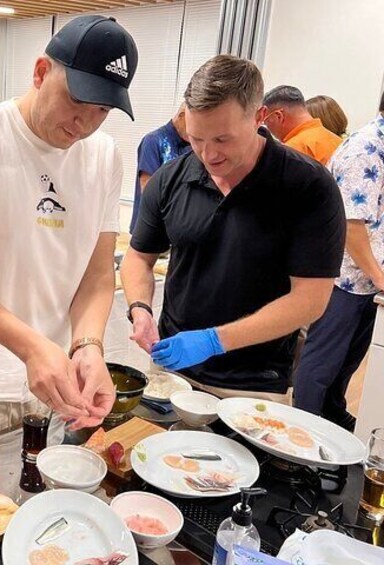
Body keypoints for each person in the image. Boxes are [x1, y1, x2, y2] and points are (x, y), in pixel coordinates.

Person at [0, 15, 137, 493]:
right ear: (41, 72)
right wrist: (31, 347)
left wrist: (87, 347)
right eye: (78, 100)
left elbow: (98, 275)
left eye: (102, 110)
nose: (85, 123)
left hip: (54, 387)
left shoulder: (104, 157)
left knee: (38, 512)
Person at [122, 55, 346, 401]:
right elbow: (139, 257)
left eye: (222, 140)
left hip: (252, 384)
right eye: (197, 139)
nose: (208, 154)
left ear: (259, 118)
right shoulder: (172, 178)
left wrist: (214, 340)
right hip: (172, 372)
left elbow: (310, 300)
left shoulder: (308, 187)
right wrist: (140, 308)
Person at [293, 91, 384, 430]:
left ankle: (331, 415)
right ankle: (303, 432)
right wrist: (379, 276)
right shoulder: (366, 149)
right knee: (321, 363)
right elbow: (351, 223)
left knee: (347, 361)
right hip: (342, 276)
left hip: (365, 280)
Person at [129, 104, 191, 233]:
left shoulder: (192, 146)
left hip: (178, 228)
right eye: (193, 125)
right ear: (181, 116)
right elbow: (147, 189)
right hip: (150, 228)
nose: (195, 132)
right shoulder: (153, 141)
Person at [260, 85, 342, 165]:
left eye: (265, 121)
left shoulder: (292, 150)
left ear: (279, 116)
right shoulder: (337, 141)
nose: (267, 127)